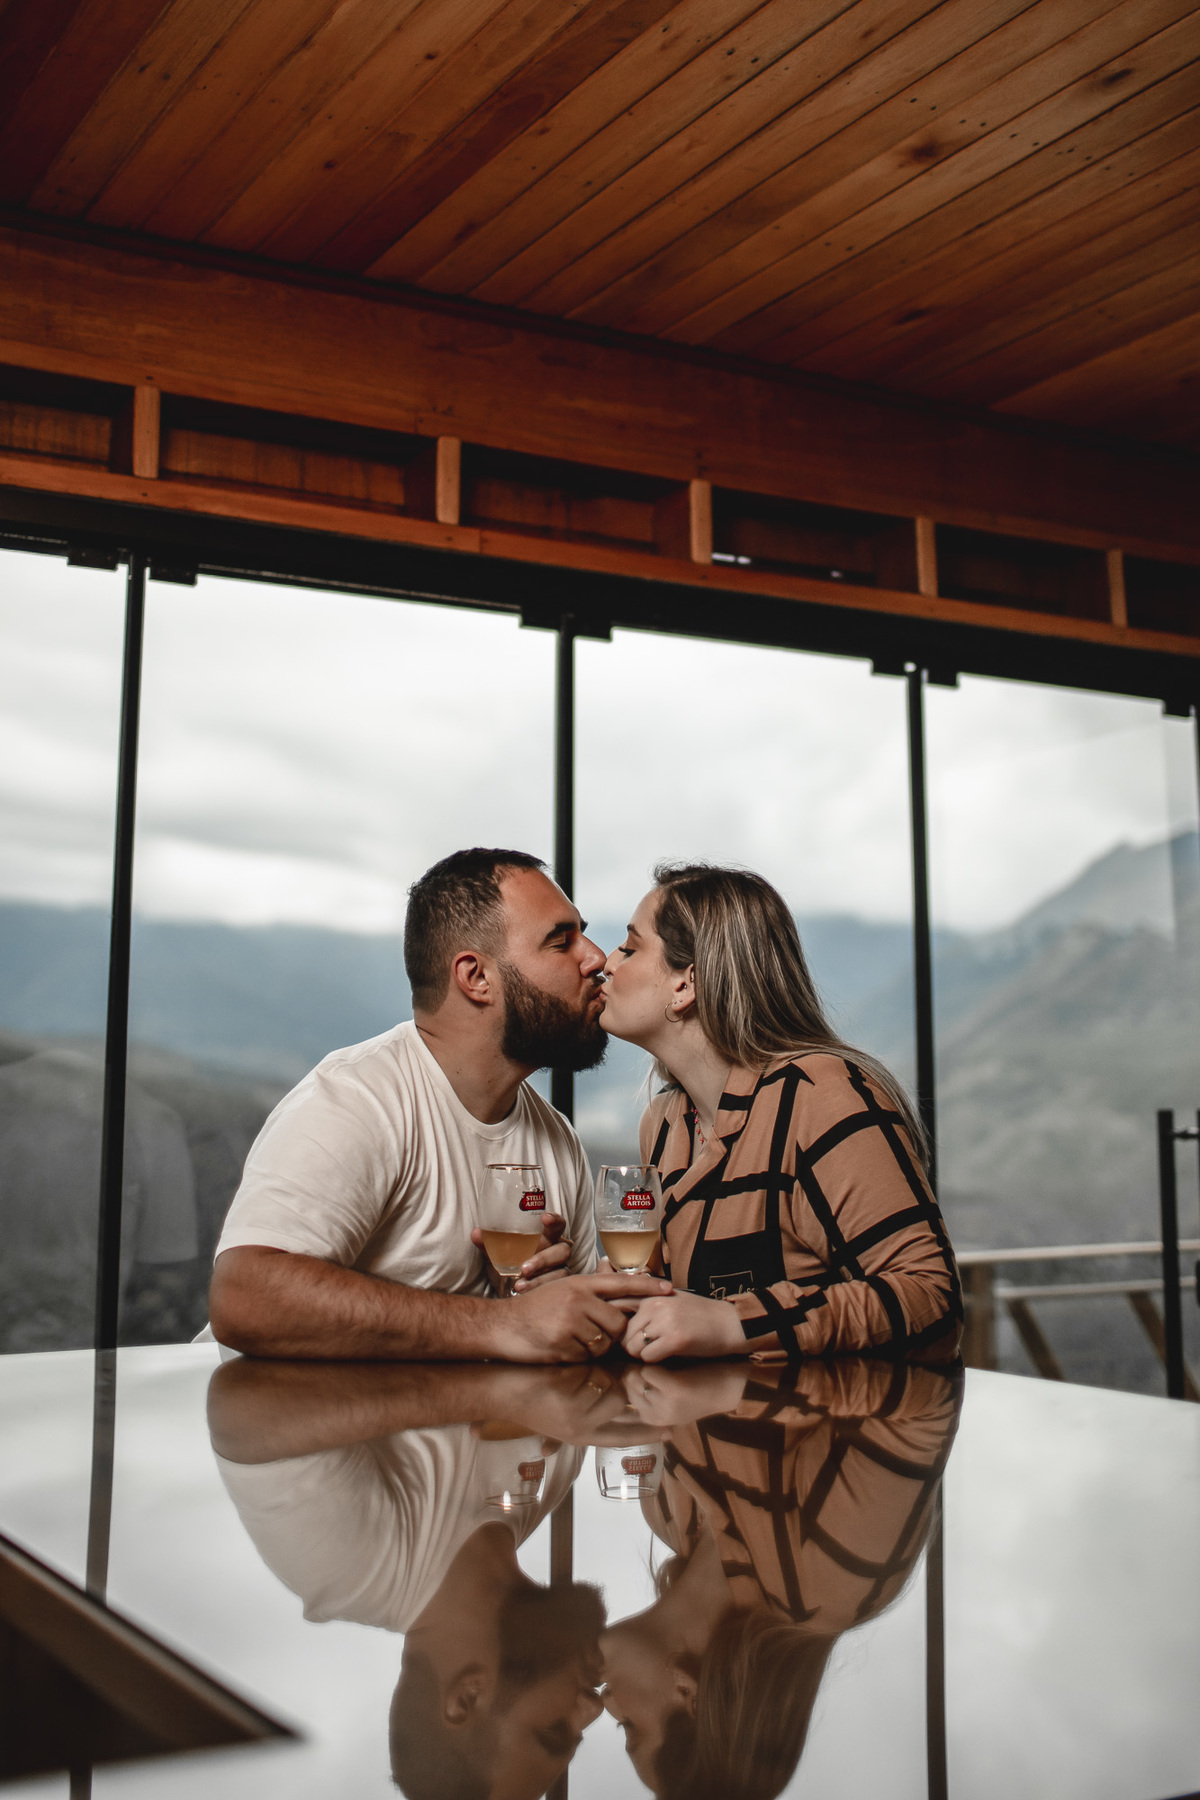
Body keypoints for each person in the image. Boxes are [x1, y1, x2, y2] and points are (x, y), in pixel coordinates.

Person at [207, 848, 671, 1362]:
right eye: (561, 942)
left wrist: (541, 1298)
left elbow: (557, 1337)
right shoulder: (356, 1101)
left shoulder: (556, 1139)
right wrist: (503, 1323)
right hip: (258, 1408)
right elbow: (242, 1296)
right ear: (476, 978)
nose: (597, 958)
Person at [208, 1358, 628, 1800]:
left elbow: (243, 1401)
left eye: (553, 1731)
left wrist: (493, 1392)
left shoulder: (353, 1570)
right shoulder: (547, 1486)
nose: (593, 1708)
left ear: (467, 1697)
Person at [597, 863, 962, 1363]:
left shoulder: (821, 1094)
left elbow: (932, 1296)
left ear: (686, 984)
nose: (607, 963)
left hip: (840, 1412)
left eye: (630, 947)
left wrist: (734, 1322)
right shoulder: (663, 1124)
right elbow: (682, 1310)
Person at [599, 1358, 962, 1799]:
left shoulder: (667, 1515)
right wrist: (725, 1380)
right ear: (690, 1697)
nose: (605, 1703)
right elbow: (929, 1393)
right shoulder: (834, 1582)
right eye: (629, 1726)